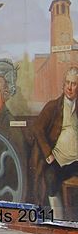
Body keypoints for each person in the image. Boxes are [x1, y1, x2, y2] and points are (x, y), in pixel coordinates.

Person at [30, 67, 78, 219]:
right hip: (57, 161)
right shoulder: (53, 106)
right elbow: (37, 127)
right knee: (51, 179)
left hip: (76, 161)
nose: (70, 87)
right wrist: (48, 153)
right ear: (63, 85)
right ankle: (58, 218)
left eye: (74, 84)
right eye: (67, 83)